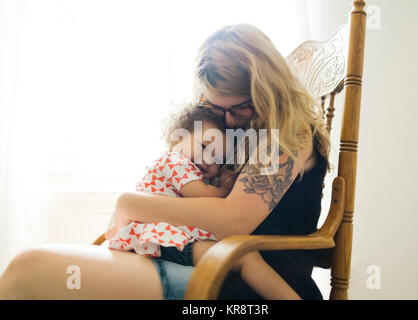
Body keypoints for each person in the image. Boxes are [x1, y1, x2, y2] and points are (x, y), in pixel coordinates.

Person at [0, 23, 331, 300]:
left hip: (252, 282)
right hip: (203, 258)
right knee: (30, 272)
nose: (228, 121)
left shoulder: (290, 135)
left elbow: (234, 221)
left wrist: (132, 204)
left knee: (27, 272)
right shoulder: (239, 132)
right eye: (217, 109)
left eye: (238, 108)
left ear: (265, 90)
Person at [107, 105, 302, 300]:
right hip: (163, 238)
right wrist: (228, 188)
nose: (208, 159)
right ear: (179, 138)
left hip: (167, 237)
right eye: (205, 146)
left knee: (244, 256)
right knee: (243, 257)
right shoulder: (174, 162)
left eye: (218, 159)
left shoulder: (191, 170)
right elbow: (196, 193)